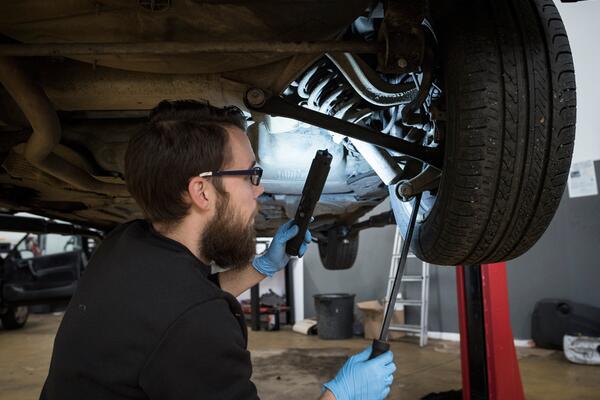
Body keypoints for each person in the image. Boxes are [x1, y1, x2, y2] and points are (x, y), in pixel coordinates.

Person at [40, 100, 396, 400]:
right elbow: (187, 313)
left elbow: (177, 304)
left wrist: (264, 266)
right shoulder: (197, 325)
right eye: (249, 175)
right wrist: (341, 395)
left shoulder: (124, 245)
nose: (259, 191)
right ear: (202, 191)